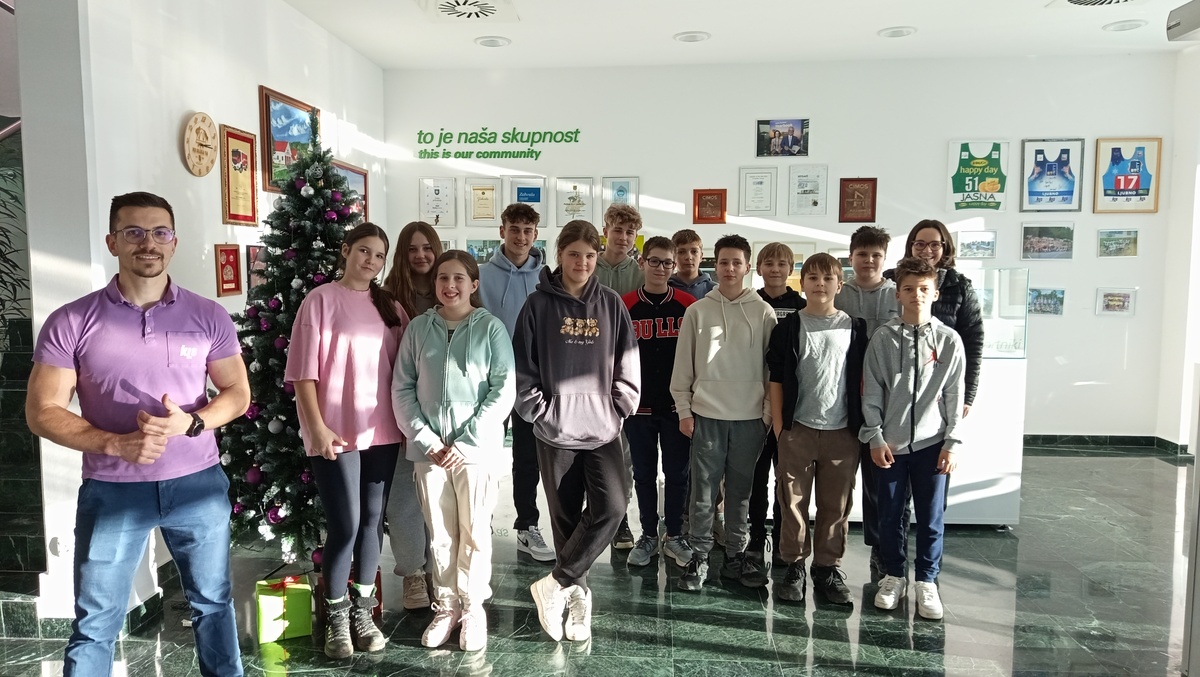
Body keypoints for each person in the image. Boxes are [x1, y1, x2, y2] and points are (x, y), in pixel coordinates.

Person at [26, 192, 249, 676]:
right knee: (96, 622)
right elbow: (42, 411)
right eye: (134, 232)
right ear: (113, 242)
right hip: (112, 491)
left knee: (213, 604)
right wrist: (115, 443)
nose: (148, 243)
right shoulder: (72, 320)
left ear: (173, 242)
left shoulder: (208, 315)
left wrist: (192, 421)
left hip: (197, 484)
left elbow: (237, 393)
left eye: (159, 232)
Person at [286, 222, 408, 658]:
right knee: (346, 524)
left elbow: (407, 370)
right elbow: (302, 374)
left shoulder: (391, 307)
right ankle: (335, 615)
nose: (371, 261)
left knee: (373, 522)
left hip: (383, 431)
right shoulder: (319, 301)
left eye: (379, 255)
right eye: (364, 251)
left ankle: (363, 611)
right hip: (334, 433)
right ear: (345, 250)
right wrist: (316, 427)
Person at [514, 220, 640, 642]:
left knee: (613, 507)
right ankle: (577, 599)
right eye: (574, 254)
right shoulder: (537, 306)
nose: (582, 262)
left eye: (589, 255)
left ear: (597, 257)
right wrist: (540, 412)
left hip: (603, 429)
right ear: (559, 255)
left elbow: (627, 358)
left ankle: (555, 583)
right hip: (556, 431)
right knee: (566, 520)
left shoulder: (611, 304)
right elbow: (523, 365)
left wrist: (619, 405)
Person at [392, 251, 516, 652]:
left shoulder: (491, 328)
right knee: (441, 535)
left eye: (459, 278)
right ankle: (446, 606)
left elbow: (503, 390)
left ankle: (473, 606)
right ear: (435, 284)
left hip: (475, 451)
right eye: (443, 278)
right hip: (429, 453)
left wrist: (464, 442)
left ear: (473, 285)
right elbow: (402, 389)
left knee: (475, 532)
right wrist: (428, 441)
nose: (450, 285)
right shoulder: (418, 328)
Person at [671, 234, 777, 592]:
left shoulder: (762, 312)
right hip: (707, 416)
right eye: (723, 262)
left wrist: (766, 415)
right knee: (702, 493)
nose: (729, 268)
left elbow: (771, 370)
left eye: (736, 262)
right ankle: (699, 557)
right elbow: (683, 368)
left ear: (747, 267)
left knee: (740, 493)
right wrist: (684, 410)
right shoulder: (697, 312)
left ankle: (735, 555)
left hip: (750, 419)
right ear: (714, 266)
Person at [862, 257, 966, 621]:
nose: (916, 295)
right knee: (890, 515)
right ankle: (893, 576)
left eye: (924, 289)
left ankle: (927, 580)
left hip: (932, 445)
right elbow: (872, 393)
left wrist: (952, 442)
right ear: (898, 293)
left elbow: (954, 395)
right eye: (908, 288)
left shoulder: (949, 340)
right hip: (890, 445)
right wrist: (875, 437)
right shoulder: (883, 338)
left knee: (931, 517)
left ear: (935, 293)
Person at [766, 253, 869, 605]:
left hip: (843, 432)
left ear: (839, 284)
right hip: (798, 429)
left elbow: (864, 381)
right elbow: (776, 378)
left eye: (827, 278)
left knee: (835, 505)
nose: (820, 284)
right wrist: (781, 427)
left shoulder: (855, 328)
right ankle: (794, 565)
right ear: (803, 283)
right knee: (792, 503)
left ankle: (826, 568)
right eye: (812, 277)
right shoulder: (789, 327)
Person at [478, 203, 555, 563]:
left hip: (530, 382)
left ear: (535, 235)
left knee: (527, 458)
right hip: (487, 381)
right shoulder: (481, 275)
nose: (521, 237)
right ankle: (480, 521)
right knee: (484, 455)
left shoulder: (547, 277)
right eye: (514, 229)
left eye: (527, 231)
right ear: (502, 231)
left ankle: (527, 526)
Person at [621, 236, 697, 568]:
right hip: (638, 407)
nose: (661, 268)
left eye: (667, 262)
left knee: (678, 474)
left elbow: (696, 357)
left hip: (676, 407)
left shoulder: (687, 304)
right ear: (642, 263)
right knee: (643, 474)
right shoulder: (625, 304)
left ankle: (675, 535)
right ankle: (649, 534)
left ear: (674, 266)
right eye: (654, 261)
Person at [381, 220, 443, 609]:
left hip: (443, 413)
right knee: (405, 497)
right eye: (412, 249)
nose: (421, 255)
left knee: (440, 496)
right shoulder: (386, 298)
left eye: (427, 247)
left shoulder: (451, 290)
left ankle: (439, 570)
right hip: (399, 408)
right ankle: (413, 573)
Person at [834, 226, 899, 579]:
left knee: (879, 484)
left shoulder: (897, 294)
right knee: (841, 481)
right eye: (862, 254)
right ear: (851, 257)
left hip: (885, 403)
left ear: (885, 258)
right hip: (844, 400)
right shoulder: (839, 293)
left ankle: (880, 550)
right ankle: (832, 554)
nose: (869, 261)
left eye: (876, 255)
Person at [747, 243, 807, 565]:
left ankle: (784, 537)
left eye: (782, 263)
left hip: (791, 405)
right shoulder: (749, 303)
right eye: (768, 263)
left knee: (787, 478)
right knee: (757, 476)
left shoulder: (802, 307)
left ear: (791, 269)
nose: (775, 269)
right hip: (754, 404)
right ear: (758, 268)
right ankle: (756, 536)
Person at [886, 219, 982, 415]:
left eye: (935, 244)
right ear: (911, 246)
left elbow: (973, 341)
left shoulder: (960, 286)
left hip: (941, 382)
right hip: (895, 381)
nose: (927, 250)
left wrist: (967, 395)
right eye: (920, 244)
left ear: (945, 248)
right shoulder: (890, 279)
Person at [592, 203, 645, 550]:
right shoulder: (588, 267)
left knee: (624, 451)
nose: (623, 237)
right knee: (590, 448)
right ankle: (595, 513)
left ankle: (621, 517)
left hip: (624, 370)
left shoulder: (640, 274)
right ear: (605, 231)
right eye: (618, 230)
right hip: (589, 369)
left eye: (630, 232)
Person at [668, 229, 716, 300]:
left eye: (694, 251)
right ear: (673, 257)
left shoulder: (715, 290)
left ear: (701, 256)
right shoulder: (663, 289)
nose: (688, 257)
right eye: (681, 252)